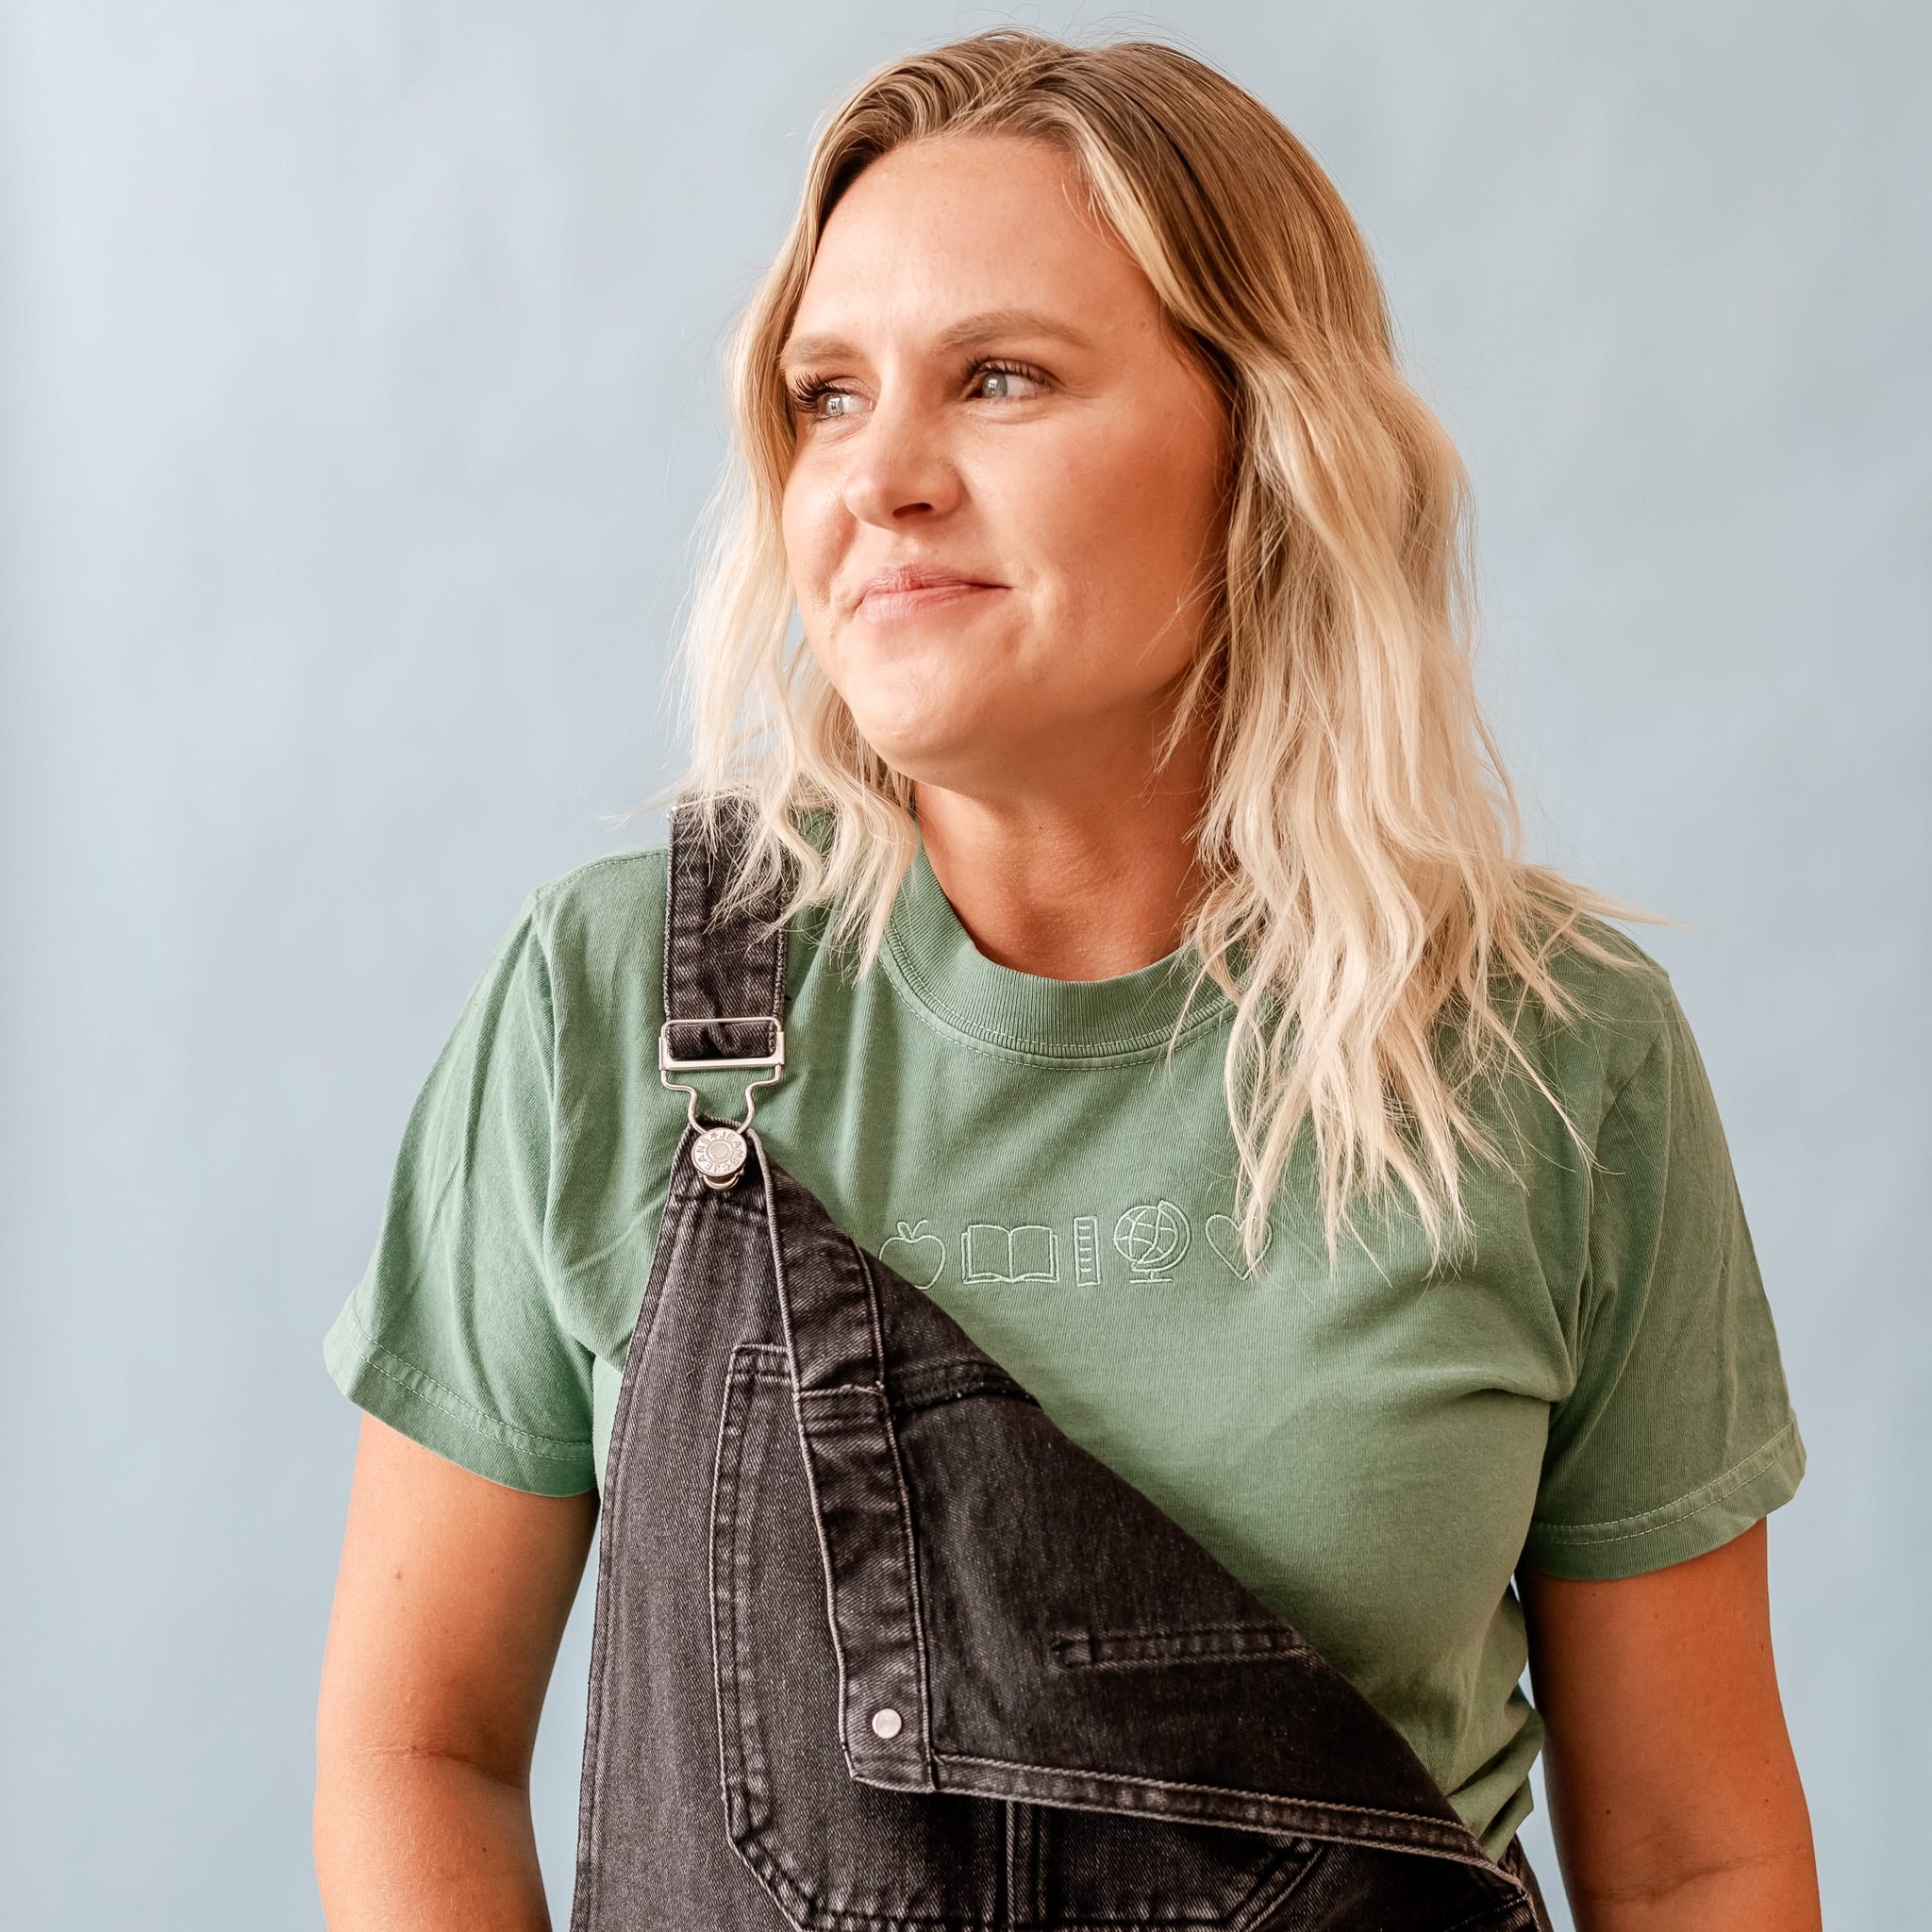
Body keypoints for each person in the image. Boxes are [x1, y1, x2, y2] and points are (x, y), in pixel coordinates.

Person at [313, 30, 1819, 1931]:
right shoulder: (602, 1010)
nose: (880, 479)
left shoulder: (1552, 1055)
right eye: (828, 395)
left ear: (1265, 443)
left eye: (1000, 377)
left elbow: (1694, 1855)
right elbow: (418, 1743)